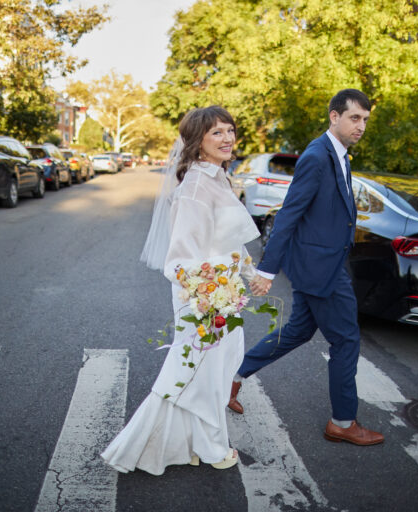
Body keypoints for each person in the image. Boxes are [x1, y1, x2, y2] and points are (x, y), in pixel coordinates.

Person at [101, 106, 261, 475]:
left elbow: (227, 239)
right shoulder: (194, 187)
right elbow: (180, 259)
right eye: (217, 132)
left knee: (213, 372)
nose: (227, 138)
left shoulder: (218, 178)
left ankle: (186, 445)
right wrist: (211, 293)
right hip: (204, 297)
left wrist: (249, 272)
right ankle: (207, 447)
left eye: (230, 130)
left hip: (223, 292)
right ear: (197, 142)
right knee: (195, 374)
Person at [231, 89, 385, 446]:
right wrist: (266, 270)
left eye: (365, 120)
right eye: (354, 118)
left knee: (298, 331)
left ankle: (232, 377)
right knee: (346, 340)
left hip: (321, 263)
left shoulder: (339, 154)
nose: (361, 126)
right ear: (334, 116)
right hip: (322, 270)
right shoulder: (317, 156)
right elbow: (290, 213)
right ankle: (342, 422)